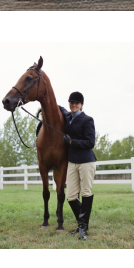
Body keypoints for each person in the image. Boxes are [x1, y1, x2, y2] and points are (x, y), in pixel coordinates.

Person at [59, 92, 97, 241]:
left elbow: (90, 142)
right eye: (71, 102)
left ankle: (82, 226)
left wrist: (71, 142)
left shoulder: (88, 120)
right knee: (70, 196)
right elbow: (59, 108)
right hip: (72, 162)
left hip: (86, 161)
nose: (73, 105)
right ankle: (83, 223)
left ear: (81, 105)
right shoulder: (67, 116)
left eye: (76, 103)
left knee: (86, 193)